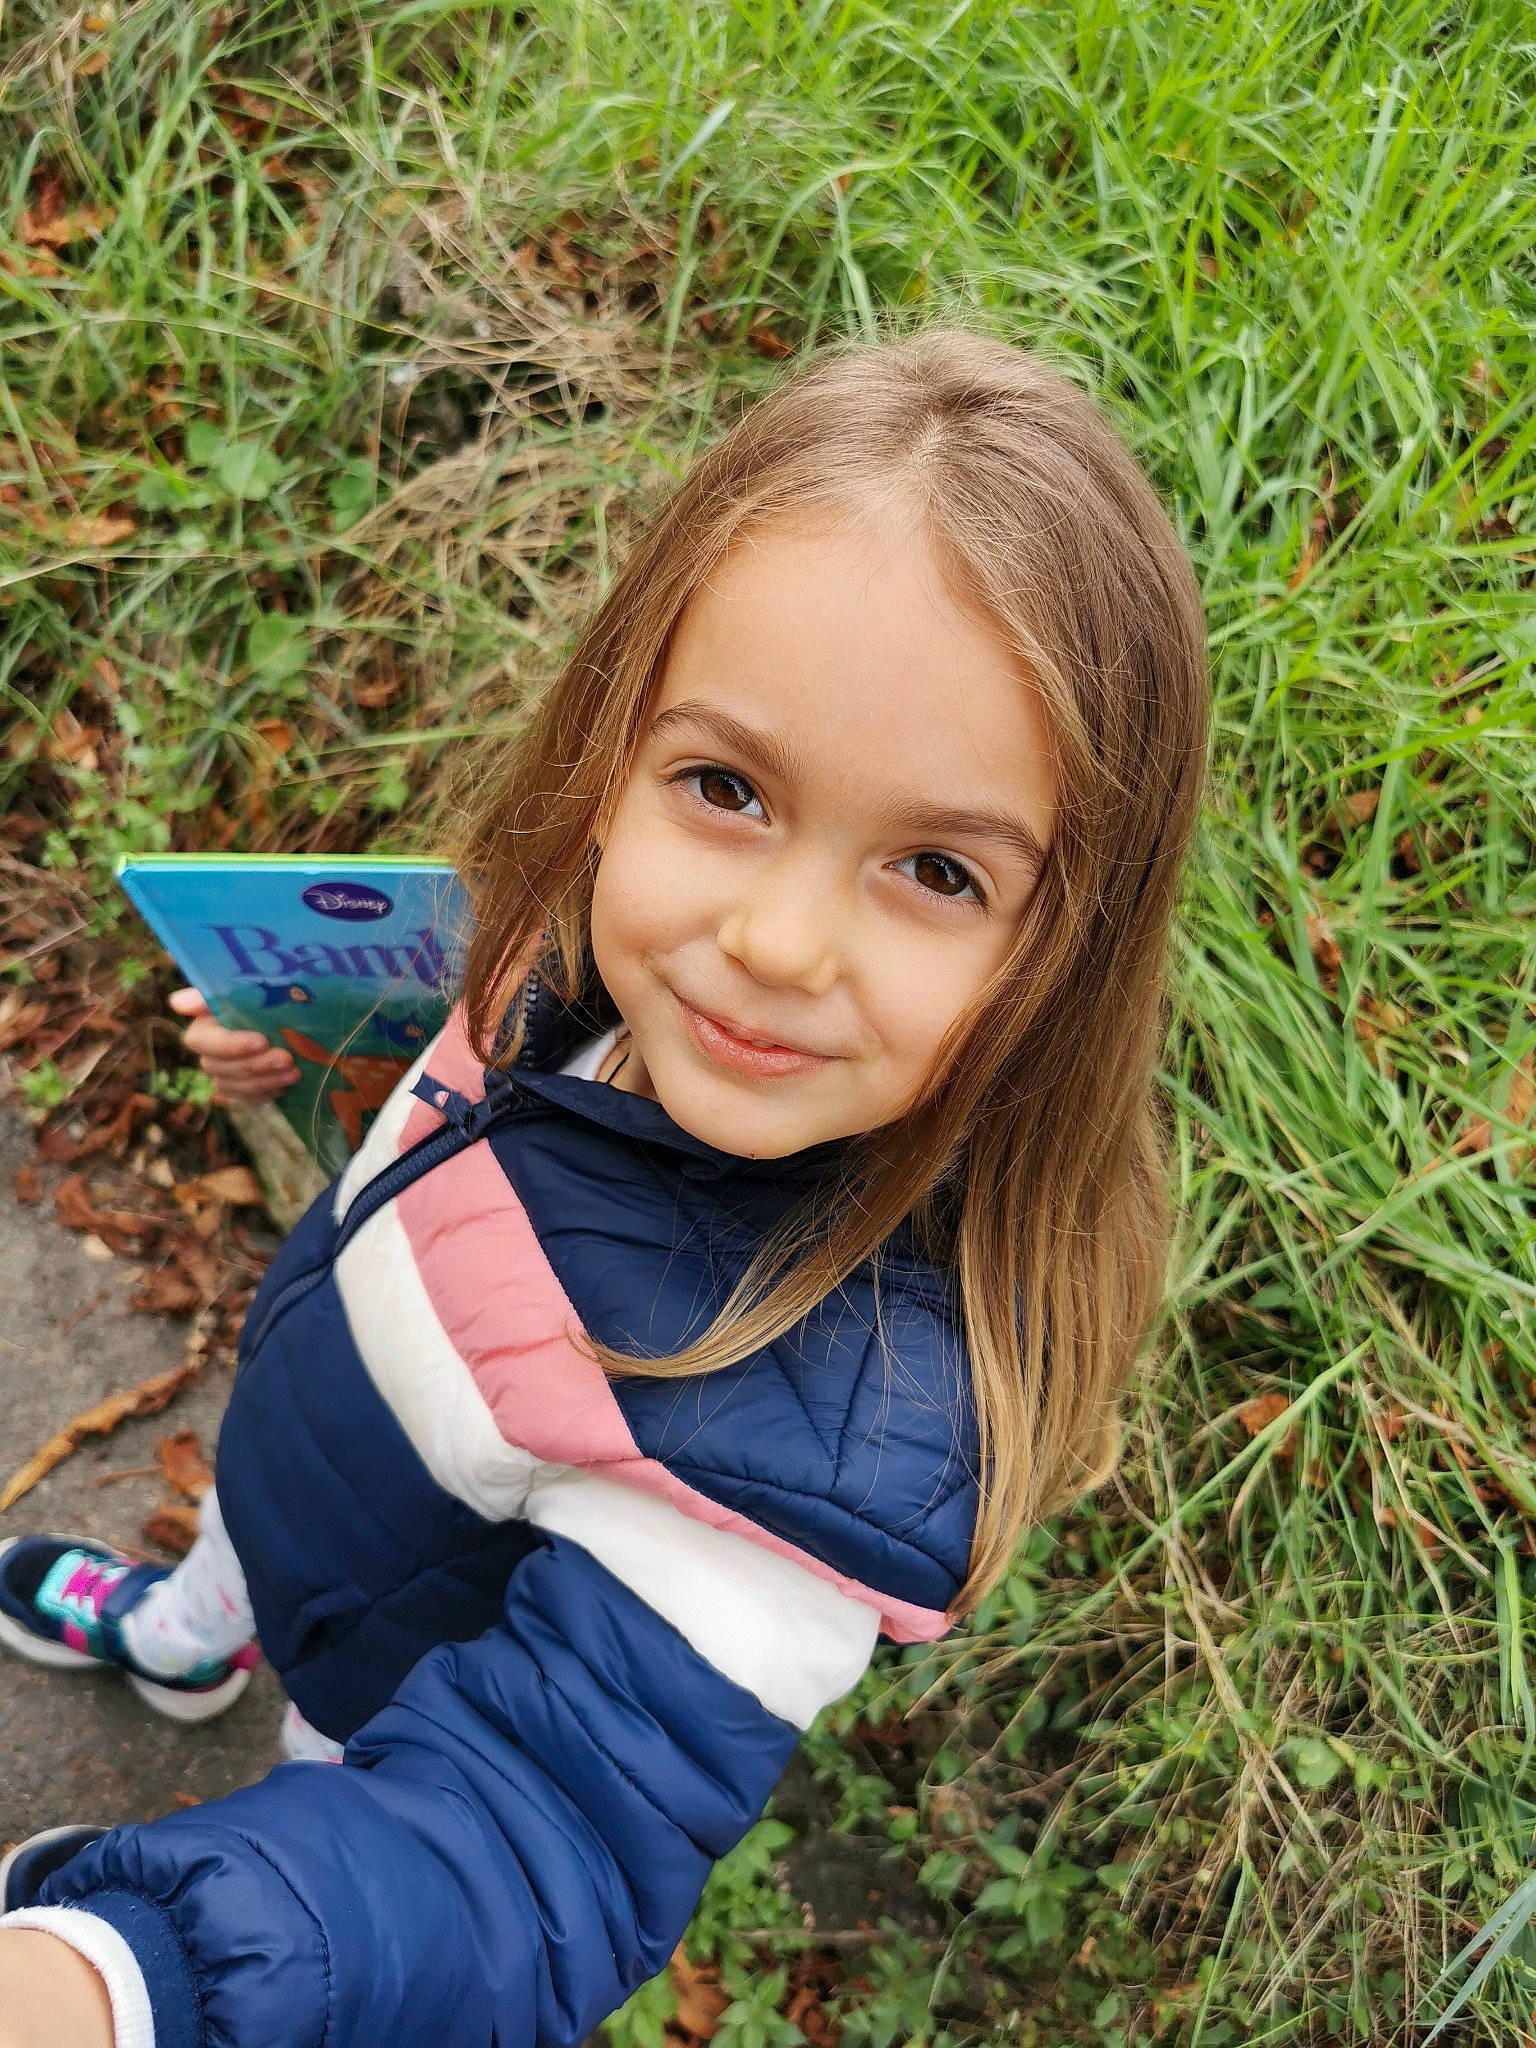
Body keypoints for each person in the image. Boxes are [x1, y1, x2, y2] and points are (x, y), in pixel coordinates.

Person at [0, 327, 1208, 2048]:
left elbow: (520, 1845)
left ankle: (212, 1820)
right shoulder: (583, 953)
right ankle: (190, 1636)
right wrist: (323, 1053)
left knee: (321, 1789)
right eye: (726, 788)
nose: (774, 941)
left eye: (937, 869)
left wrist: (131, 1983)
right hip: (315, 1450)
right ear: (615, 746)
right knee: (249, 1549)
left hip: (390, 1693)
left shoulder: (824, 1440)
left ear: (1065, 951)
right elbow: (484, 1133)